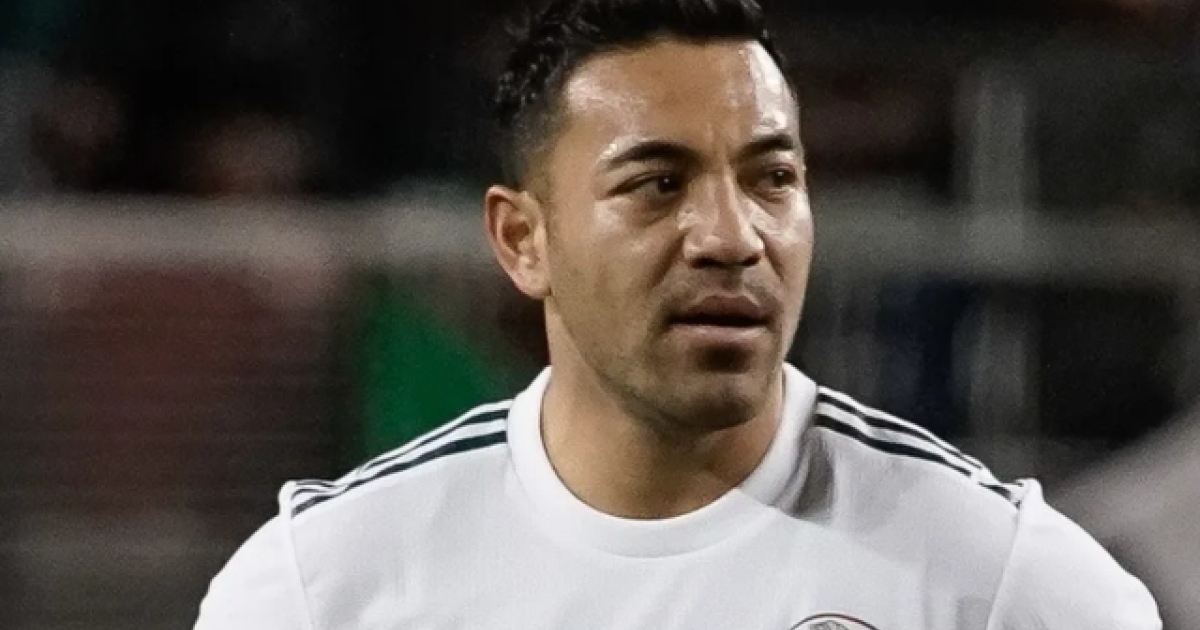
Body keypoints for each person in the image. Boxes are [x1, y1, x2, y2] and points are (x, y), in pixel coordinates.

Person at [194, 0, 1161, 628]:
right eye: (658, 184)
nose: (733, 237)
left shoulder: (1003, 583)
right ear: (523, 240)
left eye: (772, 179)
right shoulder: (325, 589)